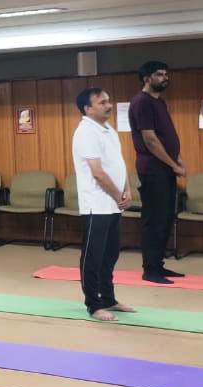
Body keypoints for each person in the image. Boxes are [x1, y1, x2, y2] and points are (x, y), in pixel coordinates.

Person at [72, 88, 136, 321]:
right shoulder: (85, 132)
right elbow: (97, 173)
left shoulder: (109, 130)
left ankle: (108, 299)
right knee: (93, 257)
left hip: (113, 204)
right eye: (102, 102)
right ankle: (93, 304)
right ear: (88, 109)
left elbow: (120, 165)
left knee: (110, 255)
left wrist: (127, 190)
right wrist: (119, 196)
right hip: (96, 205)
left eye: (109, 101)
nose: (109, 105)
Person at [127, 61, 185, 284]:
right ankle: (150, 269)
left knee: (165, 218)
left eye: (166, 74)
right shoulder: (142, 102)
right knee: (154, 220)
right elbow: (150, 140)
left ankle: (158, 265)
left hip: (165, 168)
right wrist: (173, 164)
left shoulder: (159, 102)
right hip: (153, 170)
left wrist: (177, 159)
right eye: (159, 74)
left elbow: (166, 135)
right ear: (146, 78)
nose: (165, 77)